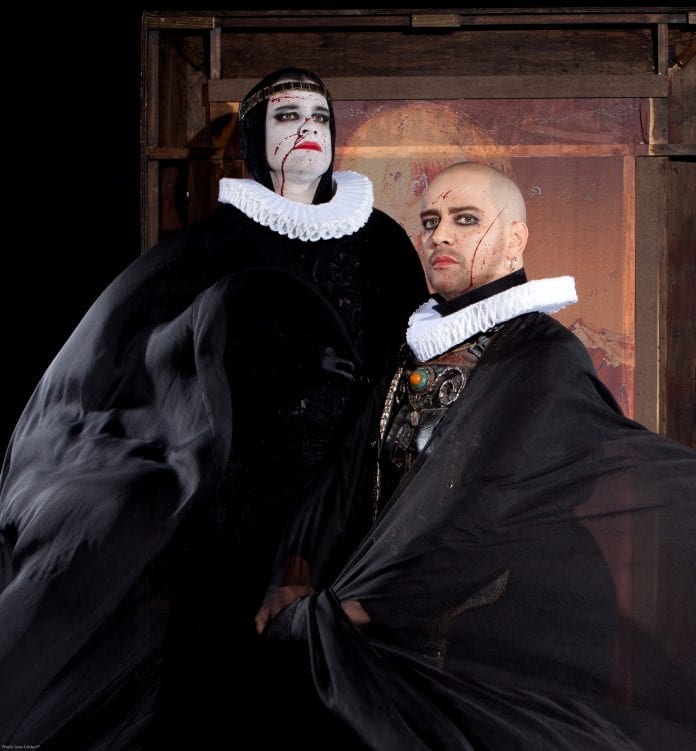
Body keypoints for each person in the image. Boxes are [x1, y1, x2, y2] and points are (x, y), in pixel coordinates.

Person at [0, 67, 427, 749]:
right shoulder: (210, 245)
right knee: (223, 678)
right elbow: (139, 349)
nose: (307, 130)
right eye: (287, 117)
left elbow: (409, 356)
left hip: (350, 498)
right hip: (235, 501)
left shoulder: (382, 243)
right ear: (255, 138)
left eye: (319, 118)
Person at [255, 162, 696, 750]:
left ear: (516, 238)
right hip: (390, 617)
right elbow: (351, 473)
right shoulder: (414, 349)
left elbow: (497, 510)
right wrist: (298, 569)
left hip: (505, 629)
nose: (440, 235)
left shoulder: (543, 354)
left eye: (465, 220)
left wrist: (366, 606)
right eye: (430, 221)